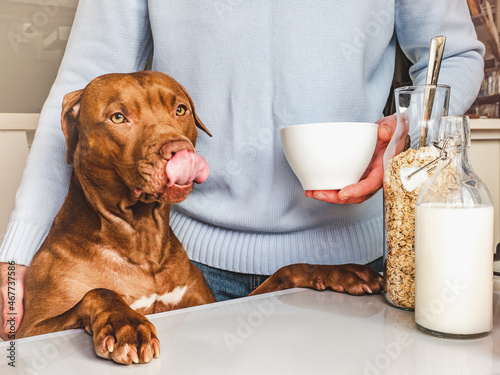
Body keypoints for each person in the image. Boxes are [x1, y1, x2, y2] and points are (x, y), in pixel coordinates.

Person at [0, 0, 484, 340]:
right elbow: (80, 93)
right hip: (186, 265)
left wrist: (402, 135)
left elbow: (455, 55)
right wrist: (15, 262)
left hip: (352, 268)